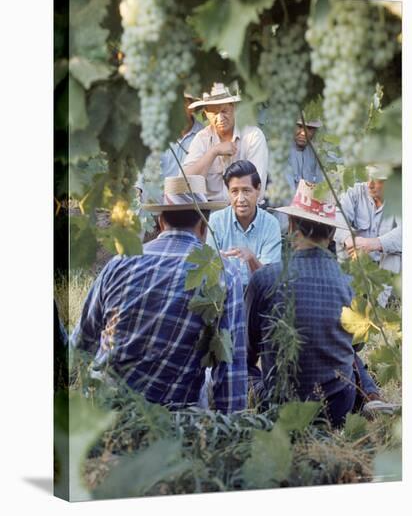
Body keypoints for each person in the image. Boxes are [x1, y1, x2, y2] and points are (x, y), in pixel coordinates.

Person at [71, 175, 248, 413]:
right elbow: (229, 369)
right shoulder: (225, 273)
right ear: (204, 226)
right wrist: (232, 430)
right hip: (172, 416)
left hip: (106, 408)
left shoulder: (119, 263)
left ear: (161, 222)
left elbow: (81, 344)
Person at [245, 180, 391, 427]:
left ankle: (371, 397)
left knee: (242, 367)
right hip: (336, 408)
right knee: (348, 355)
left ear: (291, 227)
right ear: (332, 233)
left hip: (278, 407)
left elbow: (248, 350)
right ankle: (370, 396)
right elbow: (356, 344)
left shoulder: (264, 278)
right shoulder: (350, 283)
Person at [182, 82, 269, 203]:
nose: (220, 118)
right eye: (214, 113)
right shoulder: (202, 138)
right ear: (206, 113)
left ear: (234, 107)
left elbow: (257, 189)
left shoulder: (253, 136)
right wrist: (213, 152)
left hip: (246, 210)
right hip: (210, 213)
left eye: (224, 111)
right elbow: (183, 183)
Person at [206, 160, 281, 288]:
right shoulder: (215, 221)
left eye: (246, 191)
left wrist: (251, 258)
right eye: (234, 191)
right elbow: (209, 272)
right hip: (224, 297)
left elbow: (270, 282)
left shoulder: (271, 224)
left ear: (258, 190)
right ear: (228, 192)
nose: (240, 199)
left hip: (259, 298)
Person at [334, 165, 402, 274]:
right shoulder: (354, 192)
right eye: (369, 177)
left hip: (385, 268)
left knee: (395, 255)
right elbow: (338, 215)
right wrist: (350, 240)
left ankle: (385, 289)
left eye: (377, 180)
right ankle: (346, 280)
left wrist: (373, 243)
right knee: (342, 240)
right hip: (355, 262)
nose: (370, 185)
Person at [160, 92, 204, 178]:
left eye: (182, 102)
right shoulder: (158, 133)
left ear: (192, 107)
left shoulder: (204, 135)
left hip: (193, 190)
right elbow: (145, 170)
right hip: (160, 190)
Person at [285, 115, 323, 193]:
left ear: (315, 131)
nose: (303, 133)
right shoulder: (282, 152)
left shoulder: (317, 153)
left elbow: (321, 186)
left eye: (309, 128)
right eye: (299, 126)